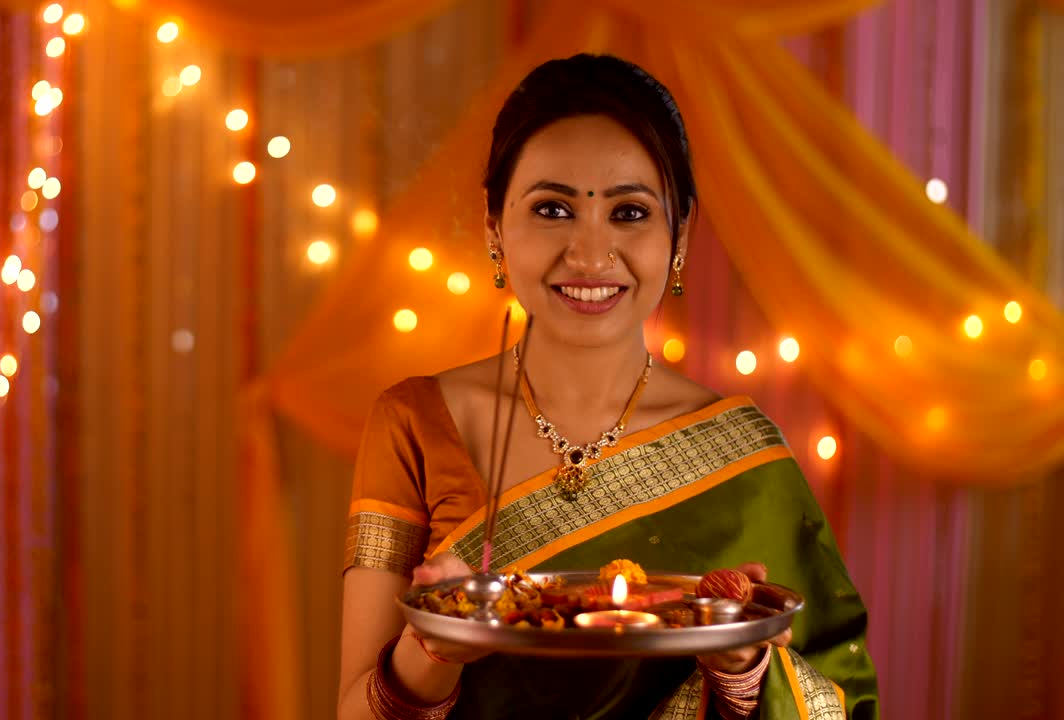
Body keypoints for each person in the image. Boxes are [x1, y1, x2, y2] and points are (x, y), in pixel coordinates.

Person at [338, 53, 878, 720]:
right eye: (553, 208)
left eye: (628, 213)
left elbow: (836, 698)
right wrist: (434, 648)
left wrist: (743, 670)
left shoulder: (745, 455)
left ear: (680, 232)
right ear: (493, 225)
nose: (591, 256)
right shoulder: (414, 422)